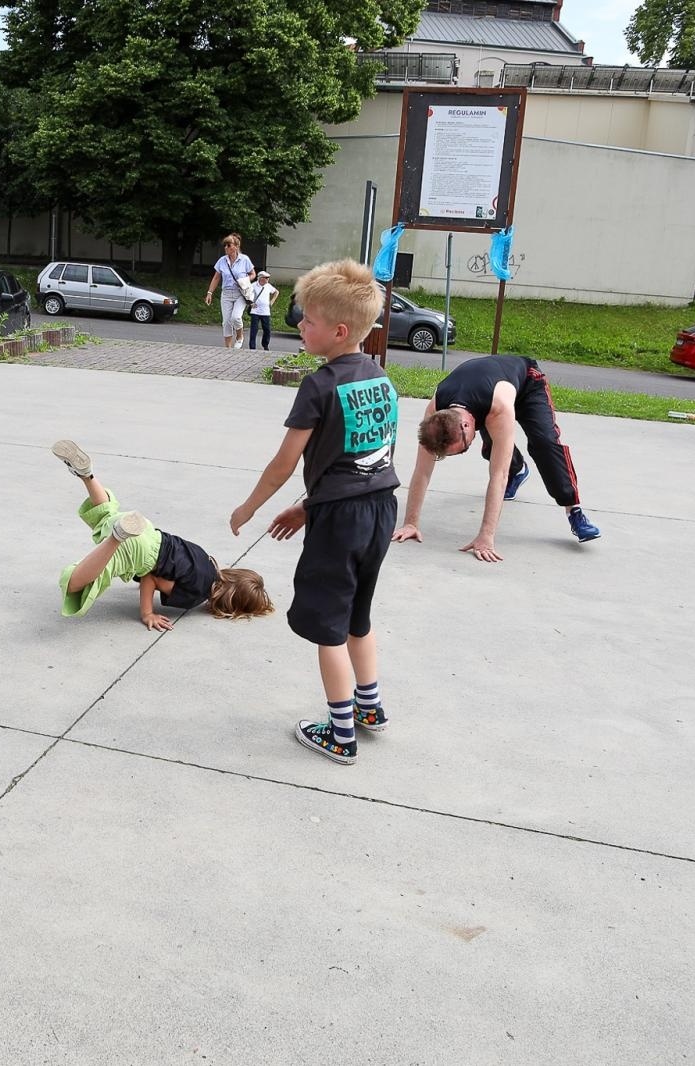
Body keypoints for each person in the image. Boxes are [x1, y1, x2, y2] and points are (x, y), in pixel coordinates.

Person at [229, 259, 400, 766]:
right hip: (379, 511)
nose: (299, 325)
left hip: (341, 523)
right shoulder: (380, 377)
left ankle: (340, 733)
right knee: (357, 617)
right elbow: (367, 457)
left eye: (307, 320)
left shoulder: (319, 386)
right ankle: (370, 710)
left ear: (338, 330)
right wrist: (309, 505)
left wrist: (248, 506)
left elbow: (285, 462)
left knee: (327, 624)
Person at [393, 353, 601, 563]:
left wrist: (486, 536)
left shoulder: (497, 409)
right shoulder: (435, 415)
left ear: (466, 425)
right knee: (493, 446)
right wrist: (411, 523)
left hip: (527, 384)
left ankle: (573, 510)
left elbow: (498, 476)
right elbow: (422, 471)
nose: (467, 448)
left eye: (464, 447)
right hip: (484, 392)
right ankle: (518, 471)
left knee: (544, 444)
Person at [53, 440, 273, 629]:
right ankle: (116, 538)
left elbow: (169, 561)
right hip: (139, 549)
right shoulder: (196, 594)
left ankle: (87, 475)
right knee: (75, 584)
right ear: (232, 605)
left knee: (106, 514)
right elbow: (153, 577)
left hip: (149, 532)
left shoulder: (207, 561)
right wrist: (147, 613)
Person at [204, 233, 255, 350]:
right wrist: (209, 293)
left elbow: (253, 274)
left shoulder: (245, 259)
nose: (226, 247)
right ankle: (228, 348)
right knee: (226, 322)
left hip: (240, 293)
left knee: (236, 317)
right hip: (226, 294)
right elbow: (216, 277)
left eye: (228, 245)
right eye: (225, 245)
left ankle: (240, 336)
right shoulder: (222, 261)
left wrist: (244, 280)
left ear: (236, 246)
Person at [247, 270, 279, 352]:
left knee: (267, 330)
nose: (268, 279)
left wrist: (272, 301)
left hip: (265, 312)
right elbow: (247, 294)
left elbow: (276, 292)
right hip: (255, 311)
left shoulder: (268, 286)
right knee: (254, 330)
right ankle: (252, 347)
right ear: (261, 278)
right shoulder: (253, 285)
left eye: (268, 278)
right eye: (266, 278)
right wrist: (251, 303)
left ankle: (265, 345)